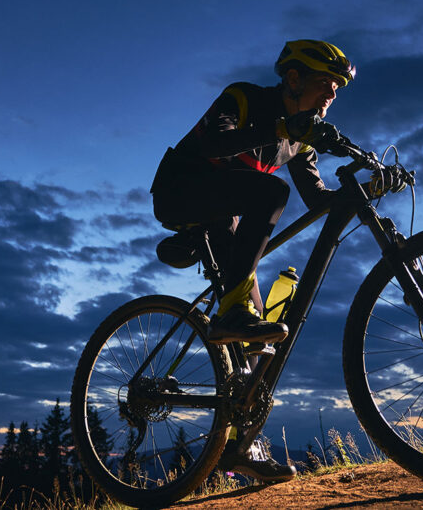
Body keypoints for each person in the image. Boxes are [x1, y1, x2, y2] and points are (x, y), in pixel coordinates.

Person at [149, 39, 357, 483]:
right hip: (180, 192)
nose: (332, 95)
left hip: (226, 215)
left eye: (338, 88)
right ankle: (230, 314)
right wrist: (286, 128)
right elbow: (215, 146)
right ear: (294, 78)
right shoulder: (243, 98)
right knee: (269, 193)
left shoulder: (300, 140)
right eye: (326, 83)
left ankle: (244, 448)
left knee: (257, 335)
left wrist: (359, 191)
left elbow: (317, 199)